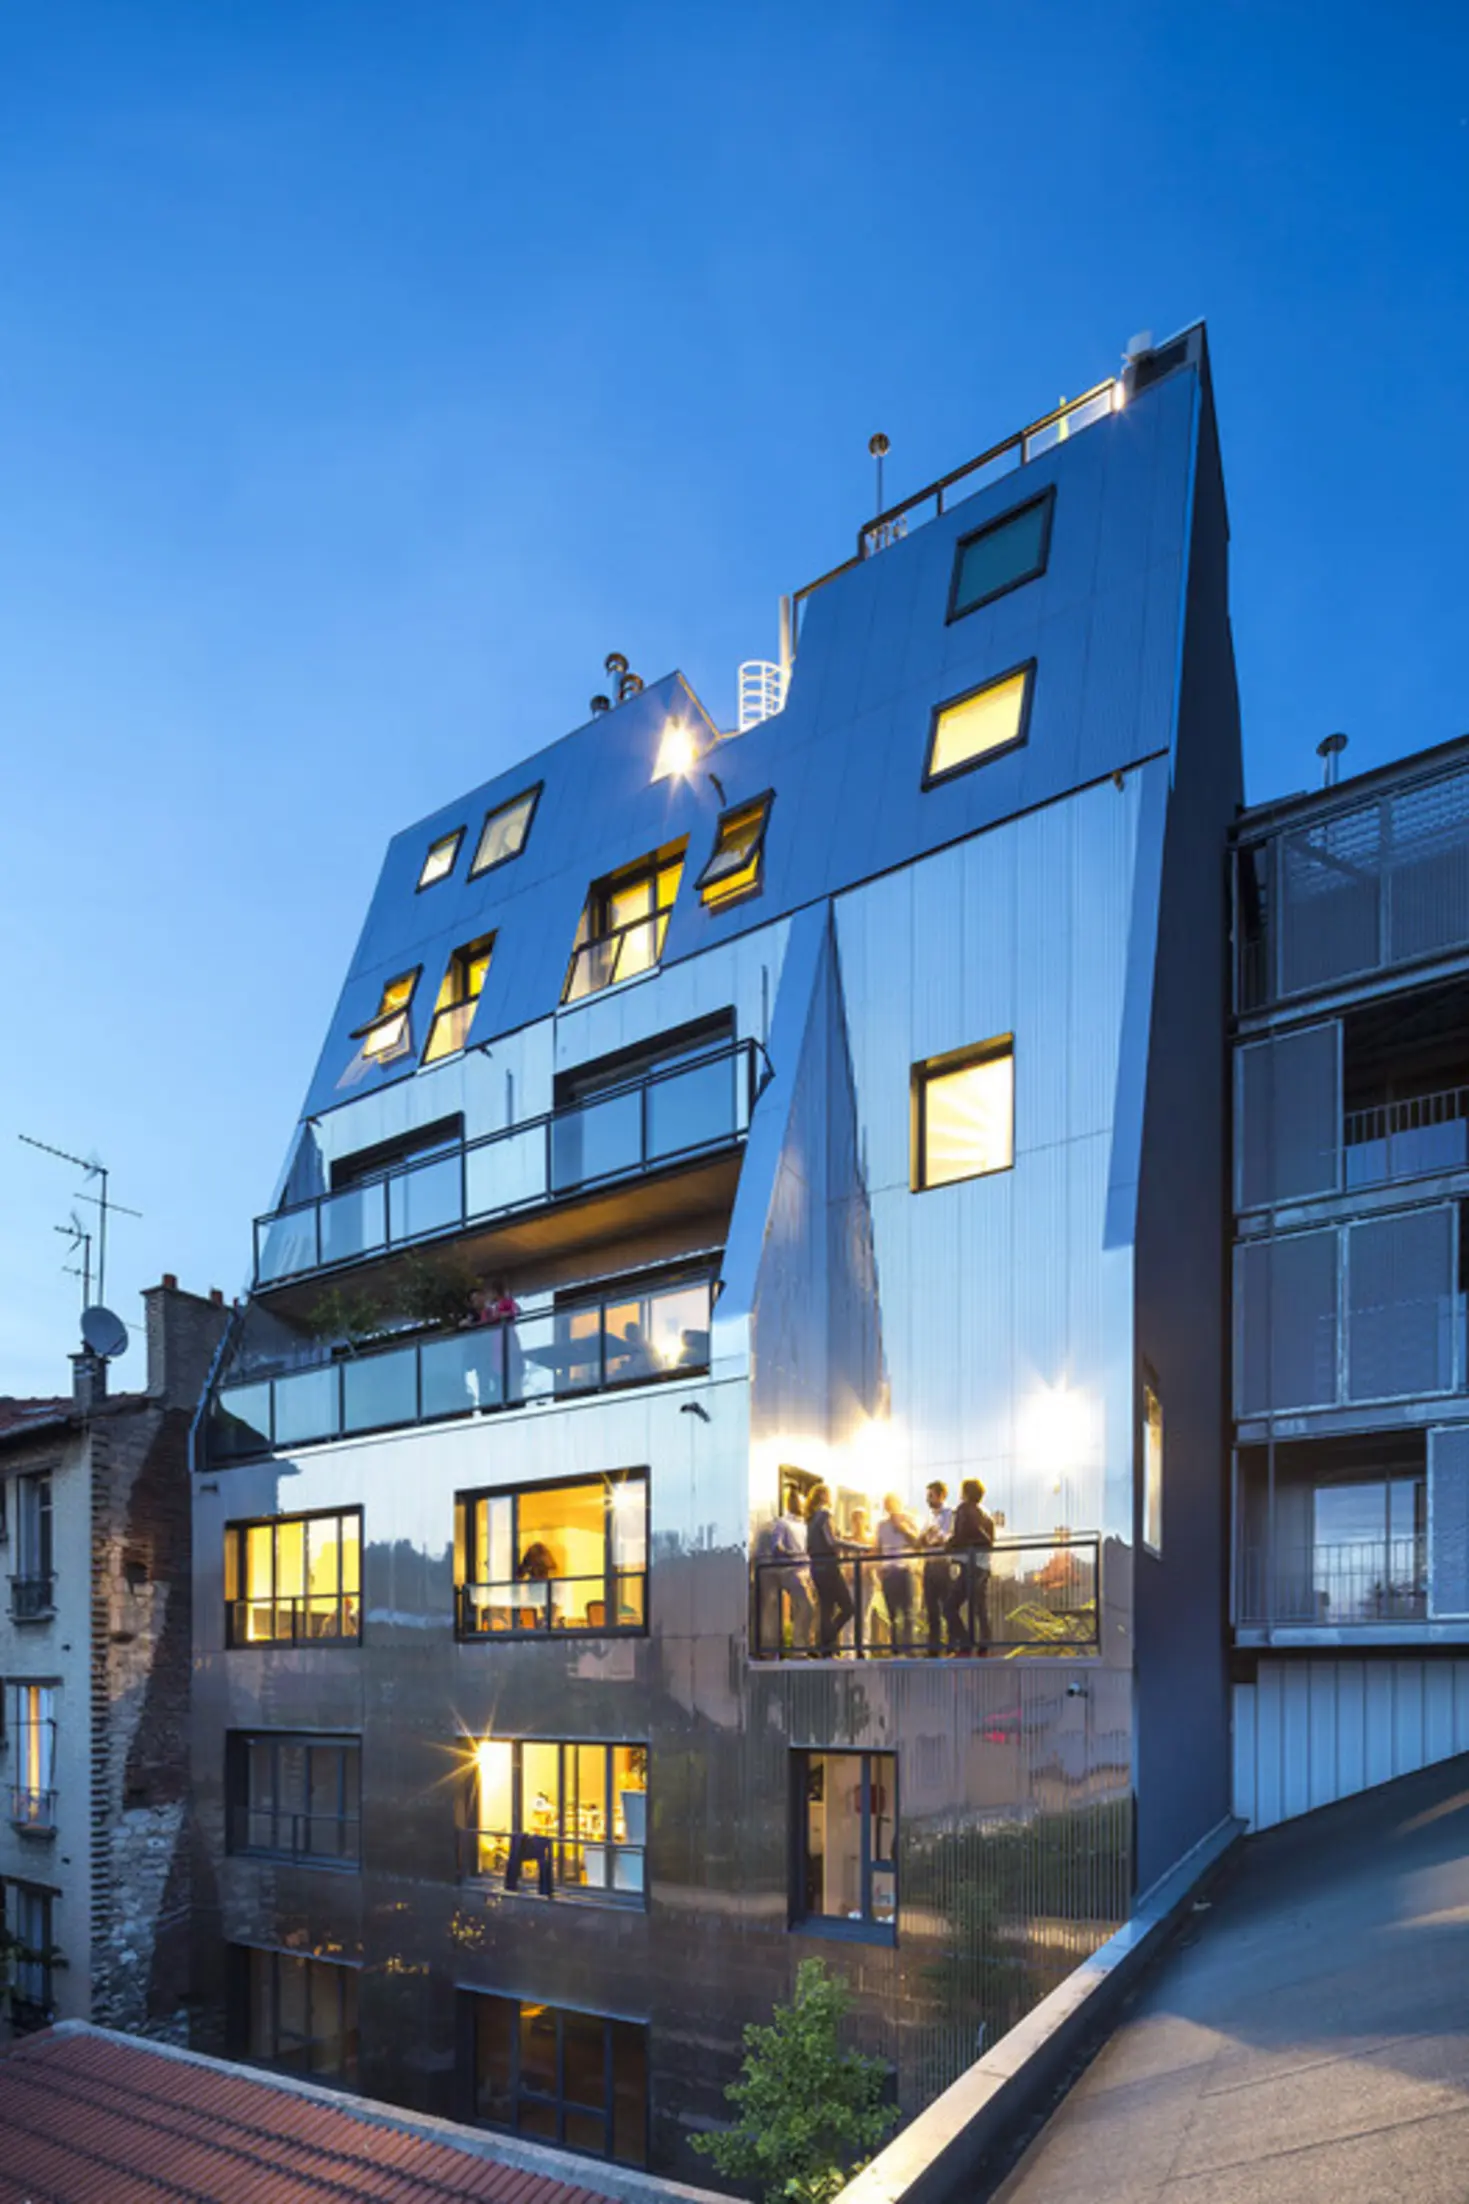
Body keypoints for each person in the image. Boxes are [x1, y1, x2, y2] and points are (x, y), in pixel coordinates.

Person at [946, 1478, 996, 1653]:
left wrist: (948, 1546)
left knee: (950, 1606)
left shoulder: (963, 1510)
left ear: (965, 1493)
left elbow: (960, 1534)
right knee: (978, 1605)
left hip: (970, 1562)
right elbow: (989, 1540)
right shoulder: (987, 1515)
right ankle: (984, 1643)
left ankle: (966, 1641)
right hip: (983, 1564)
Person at [806, 1483, 857, 1655]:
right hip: (828, 1565)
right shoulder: (825, 1514)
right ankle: (825, 1641)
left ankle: (827, 1648)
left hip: (815, 1566)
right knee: (848, 1607)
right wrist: (858, 1547)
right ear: (824, 1496)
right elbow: (832, 1541)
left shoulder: (811, 1518)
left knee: (827, 1608)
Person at [877, 1493, 920, 1651]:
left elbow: (917, 1542)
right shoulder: (881, 1525)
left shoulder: (909, 1519)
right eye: (887, 1504)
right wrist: (879, 1568)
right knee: (892, 1613)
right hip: (888, 1571)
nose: (889, 1507)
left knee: (908, 1611)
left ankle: (909, 1648)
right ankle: (895, 1648)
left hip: (905, 1569)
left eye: (892, 1503)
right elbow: (879, 1548)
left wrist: (902, 1527)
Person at [921, 1481, 955, 1655]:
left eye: (931, 1495)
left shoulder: (950, 1513)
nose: (928, 1499)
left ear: (941, 1495)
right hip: (929, 1564)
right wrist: (926, 1537)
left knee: (947, 1607)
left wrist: (936, 1535)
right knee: (931, 1608)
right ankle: (933, 1648)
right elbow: (923, 1539)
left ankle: (952, 1645)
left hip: (942, 1564)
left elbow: (948, 1537)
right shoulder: (927, 1517)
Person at [849, 1504, 880, 1651]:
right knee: (850, 1617)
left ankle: (863, 1649)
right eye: (855, 1518)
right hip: (850, 1581)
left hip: (867, 1581)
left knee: (864, 1616)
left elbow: (874, 1560)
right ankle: (848, 1649)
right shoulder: (847, 1539)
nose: (858, 1521)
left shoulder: (870, 1540)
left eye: (861, 1518)